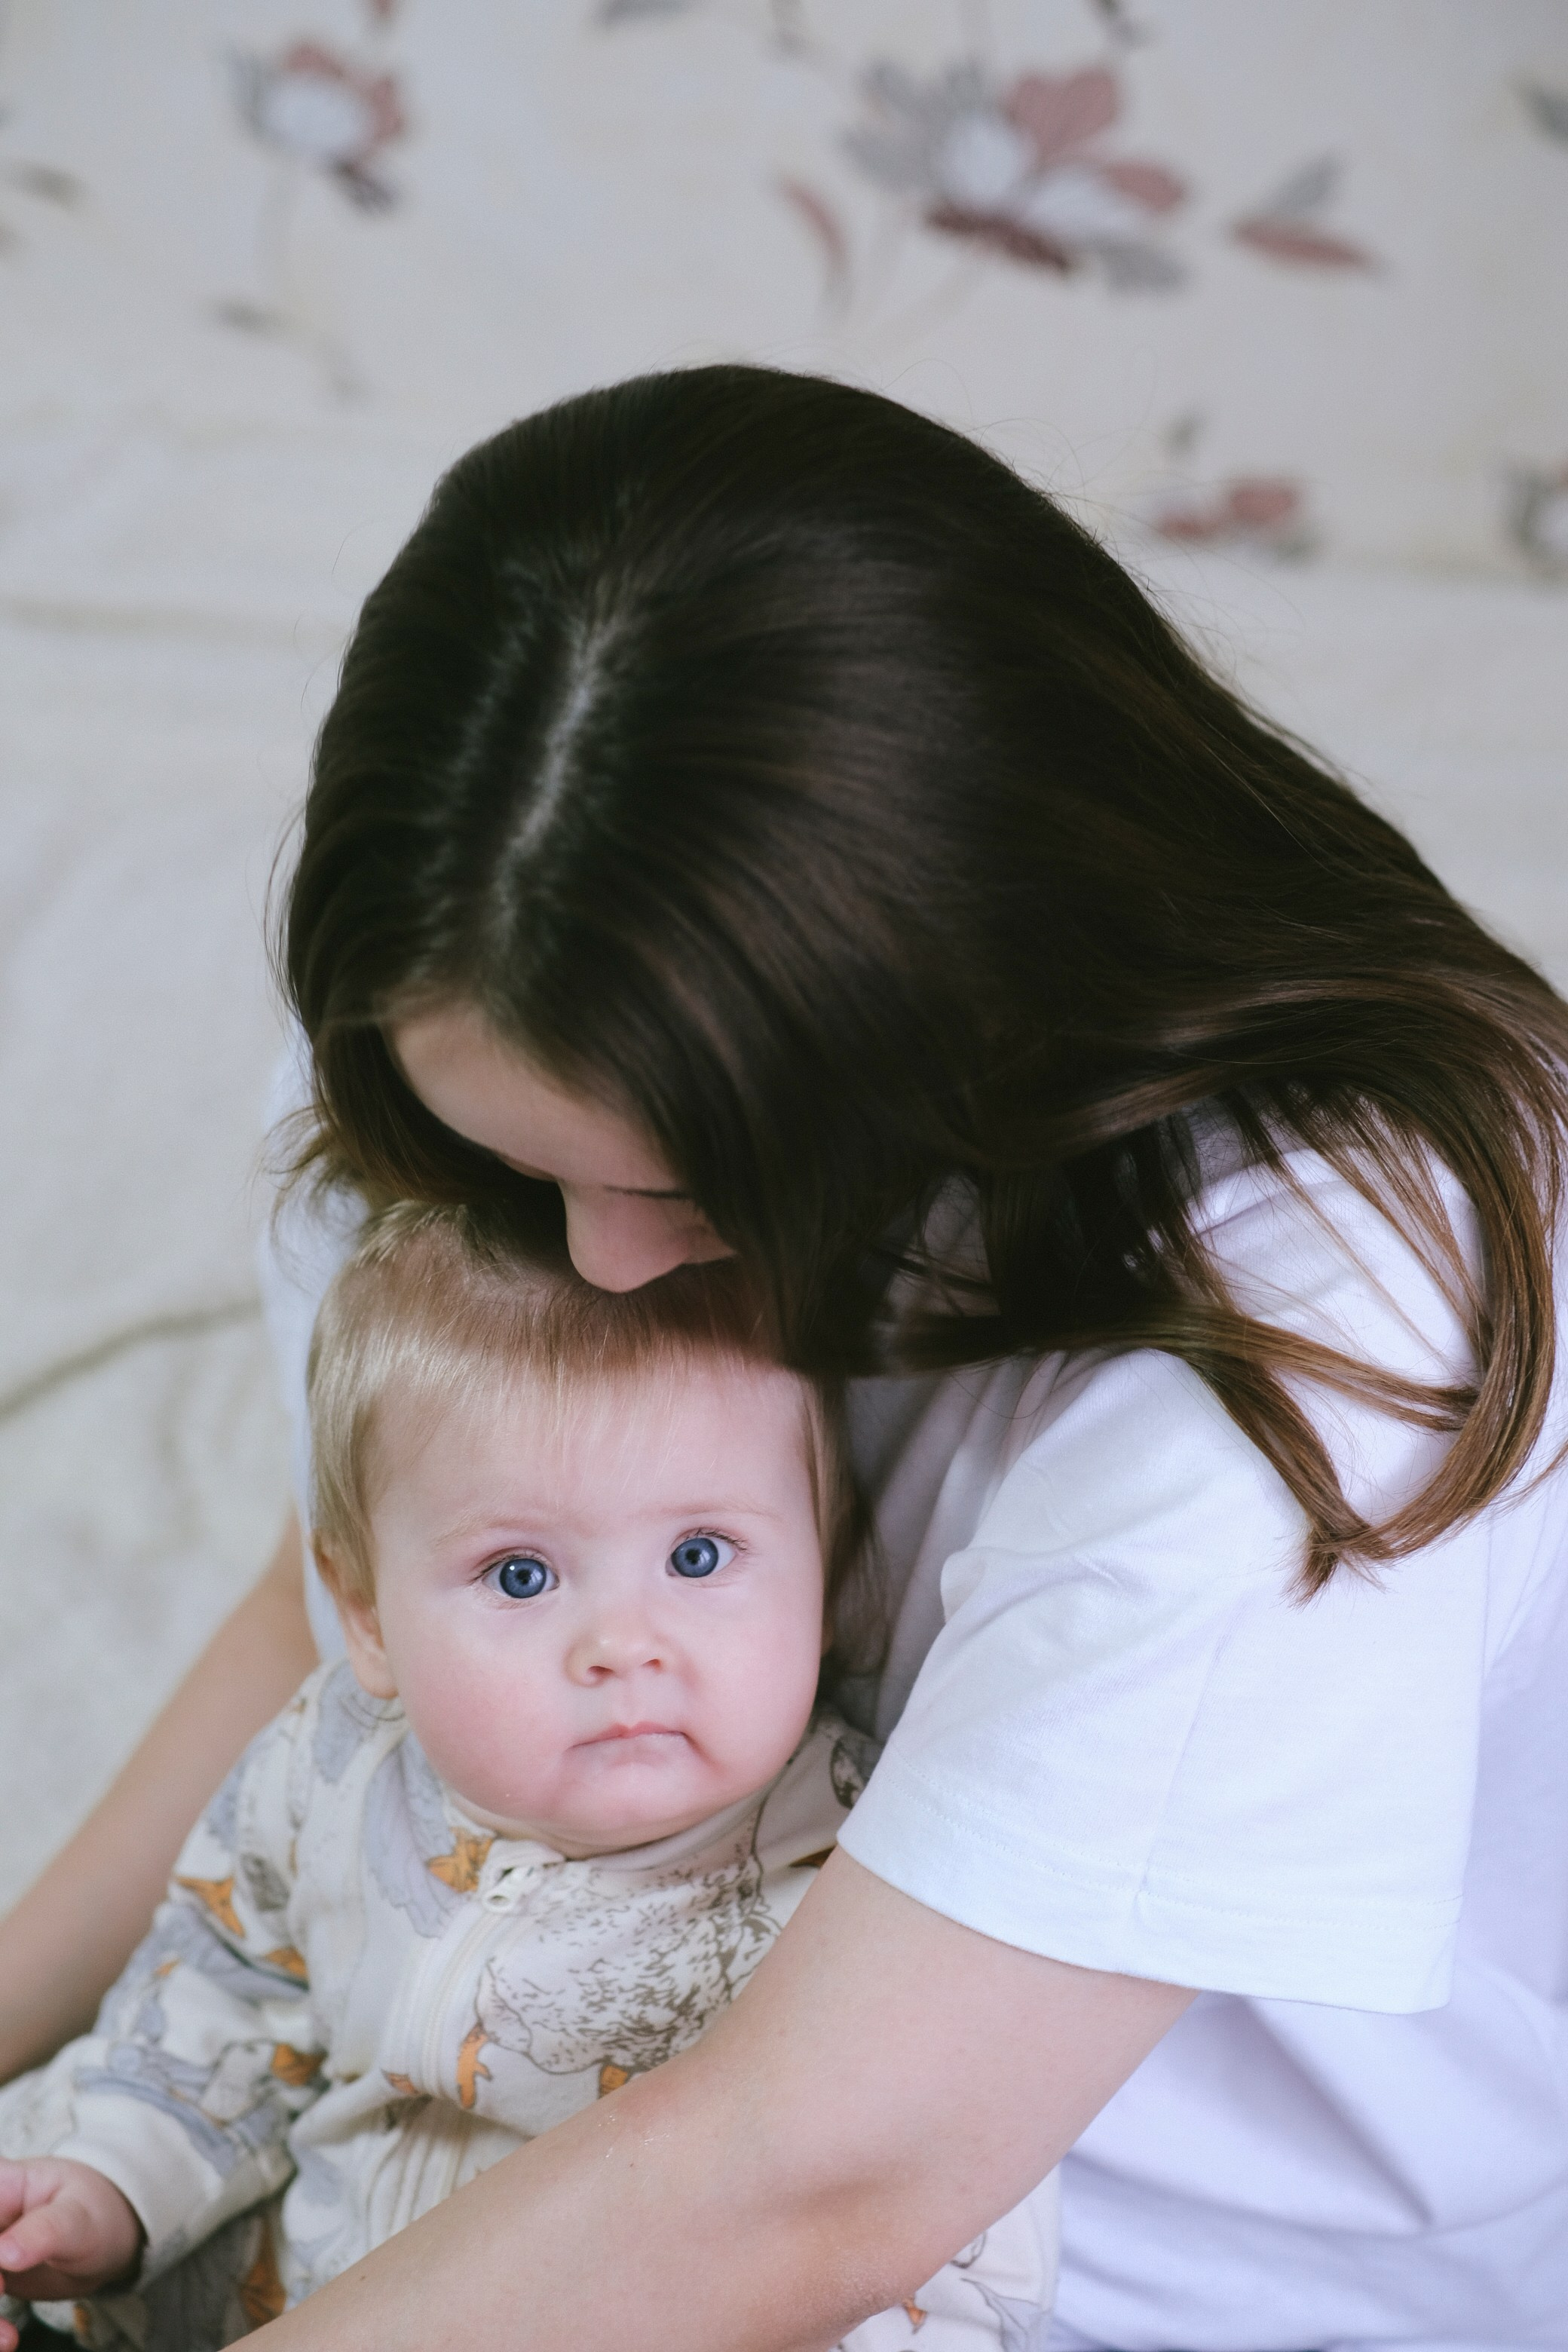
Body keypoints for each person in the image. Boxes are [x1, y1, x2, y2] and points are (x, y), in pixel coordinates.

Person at [3, 363, 1566, 2350]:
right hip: (523, 2153)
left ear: (970, 1003)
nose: (596, 1262)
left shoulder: (1324, 1300)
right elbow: (369, 1588)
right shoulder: (482, 1012)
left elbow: (806, 2178)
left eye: (687, 1186)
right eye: (515, 1172)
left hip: (1130, 2278)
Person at [0, 1204, 1059, 2350]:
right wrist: (110, 2187)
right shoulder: (331, 1769)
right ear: (367, 1616)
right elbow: (221, 1997)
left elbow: (932, 2254)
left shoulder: (864, 1901)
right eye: (520, 1575)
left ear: (833, 1585)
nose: (622, 1643)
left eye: (697, 1556)